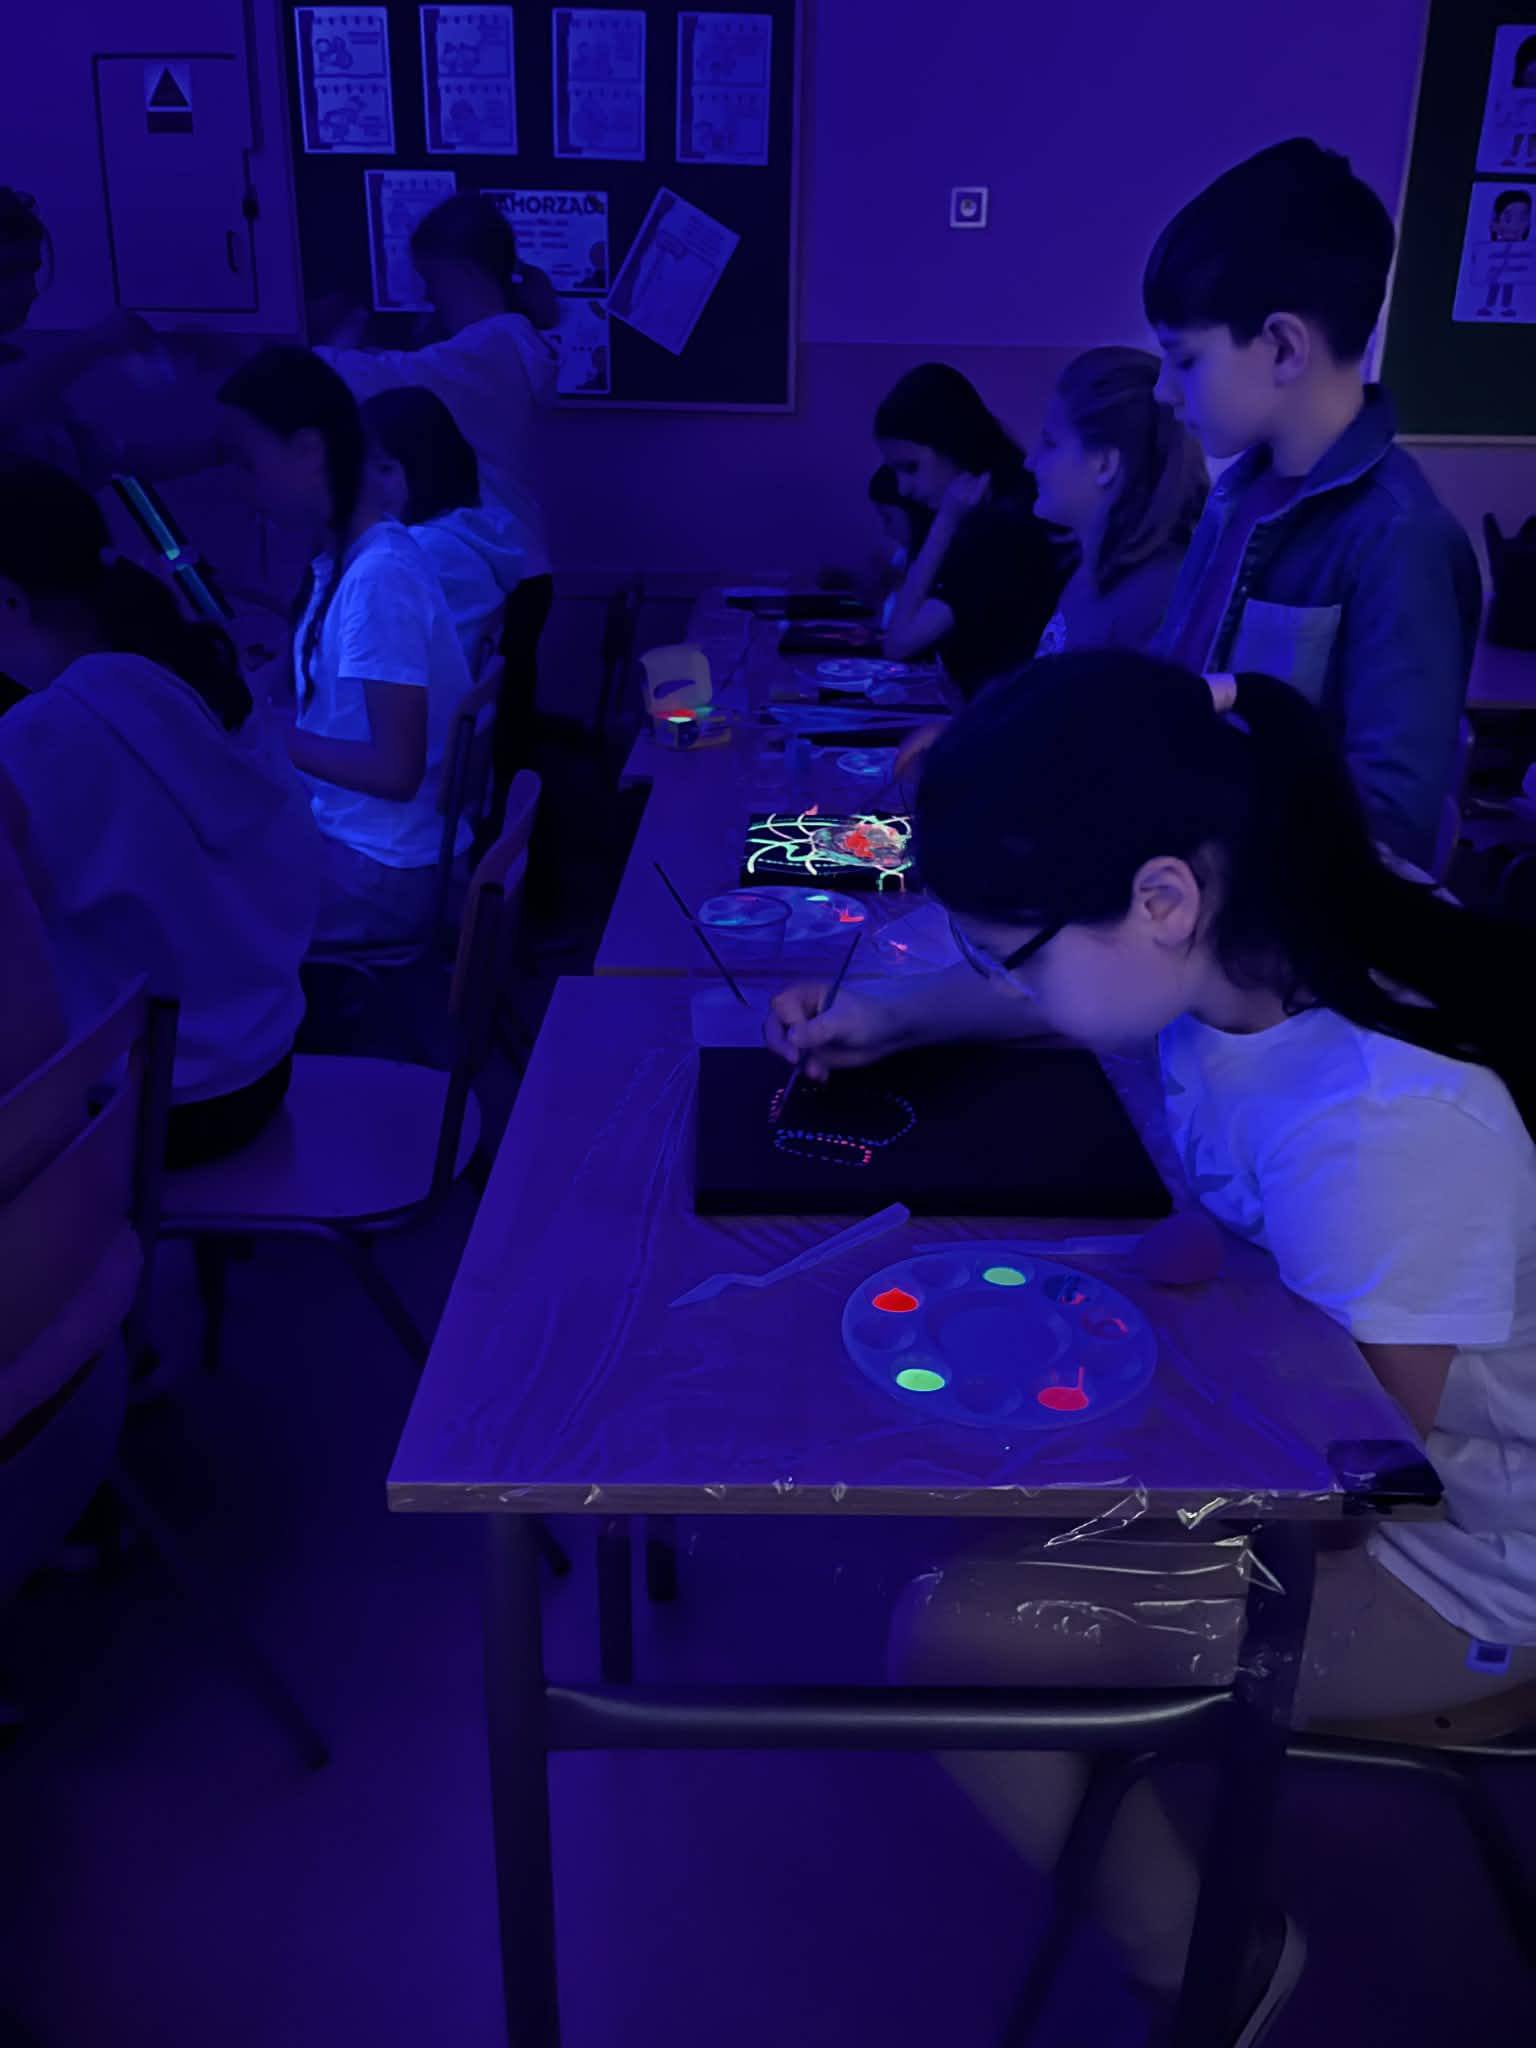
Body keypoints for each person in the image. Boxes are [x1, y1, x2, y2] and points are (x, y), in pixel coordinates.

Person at [768, 650, 1536, 2040]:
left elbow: (1346, 1493)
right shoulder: (1262, 934)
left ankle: (1204, 1962)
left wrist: (1075, 1402)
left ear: (1164, 898)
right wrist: (900, 1016)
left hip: (1458, 1571)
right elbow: (1079, 997)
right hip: (1361, 1457)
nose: (997, 977)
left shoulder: (1384, 1120)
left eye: (1005, 950)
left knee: (948, 1630)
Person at [1145, 138, 1481, 874]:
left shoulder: (1398, 539)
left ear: (1283, 348)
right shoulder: (1234, 499)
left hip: (1277, 928)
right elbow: (1174, 700)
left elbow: (1391, 827)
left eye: (1184, 358)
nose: (1163, 391)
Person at [0, 463, 318, 1165]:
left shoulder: (43, 735)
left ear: (10, 599)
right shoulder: (200, 674)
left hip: (154, 1108)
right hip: (264, 1063)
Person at [218, 347, 474, 947]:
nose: (240, 487)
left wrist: (271, 733)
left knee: (191, 905)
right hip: (370, 847)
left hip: (385, 872)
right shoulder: (354, 559)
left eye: (248, 463)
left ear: (308, 450)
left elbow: (395, 770)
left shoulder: (378, 577)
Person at [315, 193, 559, 580]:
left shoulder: (498, 345)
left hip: (497, 562)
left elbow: (392, 378)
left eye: (432, 280)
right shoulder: (503, 346)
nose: (429, 296)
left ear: (466, 274)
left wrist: (327, 345)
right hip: (505, 558)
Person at [874, 363, 1067, 697]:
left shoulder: (1001, 531)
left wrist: (945, 522)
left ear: (953, 446)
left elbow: (898, 643)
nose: (903, 488)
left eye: (911, 467)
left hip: (999, 715)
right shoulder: (983, 516)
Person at [1032, 347, 1208, 656]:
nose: (1030, 462)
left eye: (1049, 442)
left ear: (1105, 465)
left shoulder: (1152, 597)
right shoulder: (1094, 570)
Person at [360, 386, 527, 675]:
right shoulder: (465, 530)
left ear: (426, 466)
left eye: (384, 469)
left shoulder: (425, 549)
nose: (368, 485)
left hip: (420, 702)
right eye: (361, 469)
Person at [867, 463, 933, 632]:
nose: (885, 529)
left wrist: (903, 585)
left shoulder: (937, 558)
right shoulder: (903, 555)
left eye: (887, 518)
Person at [1479, 188, 1532, 319]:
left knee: (1508, 288)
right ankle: (1489, 306)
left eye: (1522, 219)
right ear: (1497, 220)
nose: (1515, 226)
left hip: (1510, 272)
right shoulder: (1495, 246)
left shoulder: (1522, 247)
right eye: (1508, 219)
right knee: (1494, 287)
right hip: (1496, 271)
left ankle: (1506, 307)